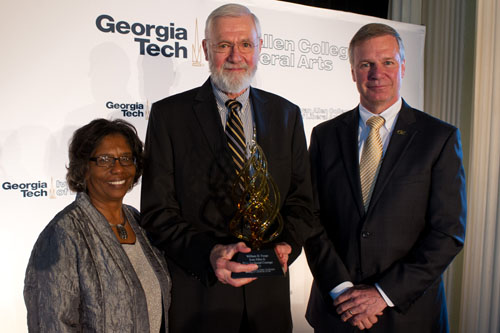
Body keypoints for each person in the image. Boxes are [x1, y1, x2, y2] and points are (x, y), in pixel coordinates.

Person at [140, 3, 313, 333]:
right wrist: (209, 254)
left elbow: (302, 203)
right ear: (206, 49)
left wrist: (286, 246)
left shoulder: (287, 115)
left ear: (259, 47)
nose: (236, 55)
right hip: (201, 303)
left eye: (245, 44)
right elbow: (157, 212)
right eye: (224, 45)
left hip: (269, 306)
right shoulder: (169, 116)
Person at [304, 23, 467, 332]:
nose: (377, 73)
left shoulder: (439, 138)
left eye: (387, 62)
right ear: (353, 71)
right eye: (366, 64)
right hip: (337, 312)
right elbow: (310, 218)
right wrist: (341, 290)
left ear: (402, 66)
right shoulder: (325, 136)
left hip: (409, 316)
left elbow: (448, 233)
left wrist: (382, 294)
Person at [24, 119, 171, 332]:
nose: (118, 168)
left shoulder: (139, 222)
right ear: (84, 168)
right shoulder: (62, 235)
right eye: (104, 160)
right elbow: (52, 324)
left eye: (126, 158)